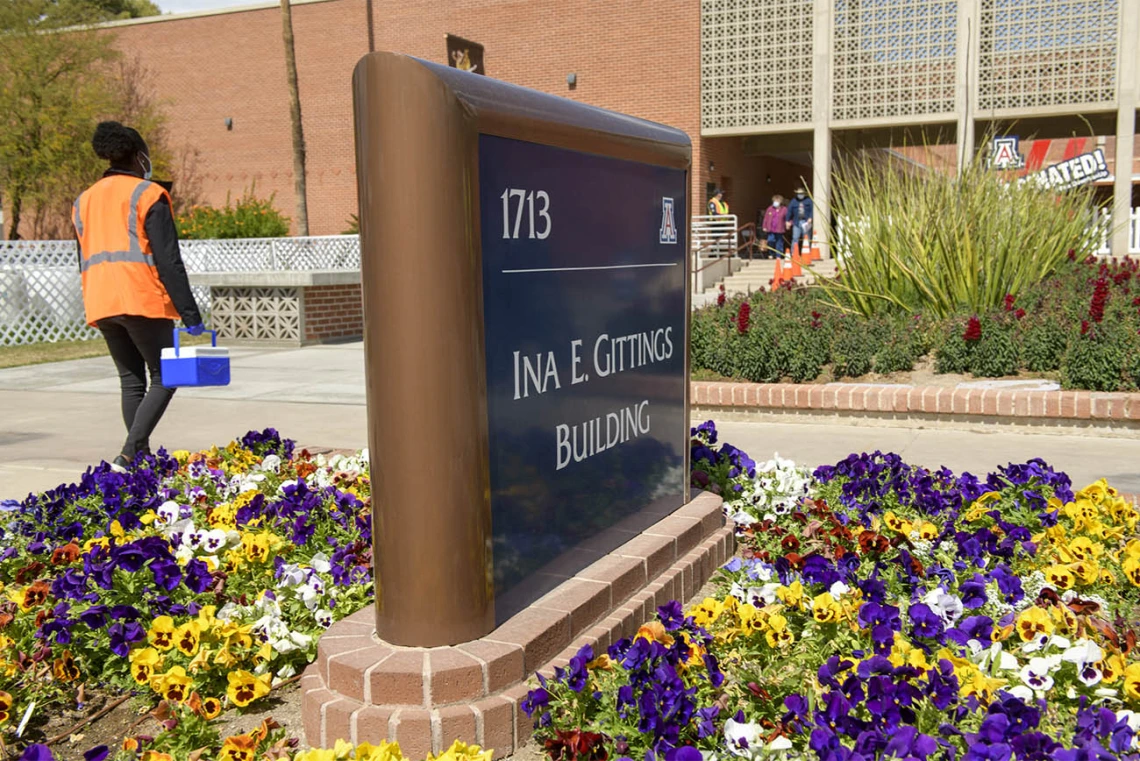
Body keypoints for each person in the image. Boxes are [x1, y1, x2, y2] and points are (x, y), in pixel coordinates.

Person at [73, 121, 204, 473]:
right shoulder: (148, 195)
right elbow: (168, 261)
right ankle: (128, 454)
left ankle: (139, 462)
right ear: (138, 156)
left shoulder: (83, 200)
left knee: (132, 381)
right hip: (140, 297)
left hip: (101, 301)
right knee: (167, 376)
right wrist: (191, 314)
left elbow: (82, 255)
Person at [787, 186, 814, 254]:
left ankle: (807, 253)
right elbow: (789, 211)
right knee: (795, 237)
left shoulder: (809, 201)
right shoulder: (793, 201)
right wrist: (787, 221)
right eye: (799, 193)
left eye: (801, 193)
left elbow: (812, 210)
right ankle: (794, 253)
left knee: (806, 238)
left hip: (806, 222)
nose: (800, 195)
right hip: (796, 222)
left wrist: (810, 217)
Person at [760, 194, 789, 259]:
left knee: (779, 242)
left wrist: (788, 223)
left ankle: (778, 255)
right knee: (771, 241)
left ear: (780, 202)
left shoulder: (784, 209)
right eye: (774, 201)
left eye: (777, 201)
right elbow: (766, 218)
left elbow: (788, 217)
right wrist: (764, 226)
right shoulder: (770, 209)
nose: (775, 202)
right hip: (771, 229)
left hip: (780, 229)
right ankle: (771, 253)